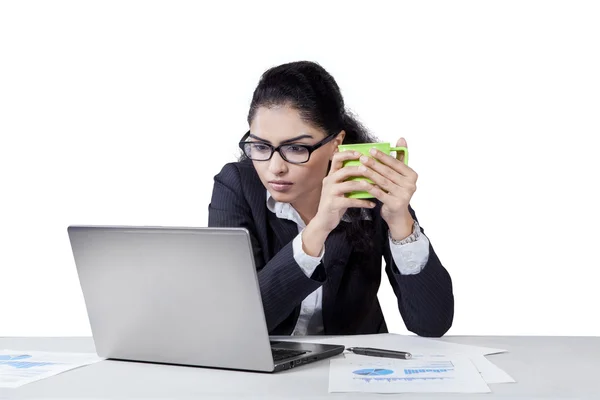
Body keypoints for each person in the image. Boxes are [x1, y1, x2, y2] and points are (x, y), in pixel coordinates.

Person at [208, 61, 453, 337]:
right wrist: (318, 229)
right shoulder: (237, 186)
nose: (275, 167)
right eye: (261, 146)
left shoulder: (371, 185)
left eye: (296, 147)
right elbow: (235, 322)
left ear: (336, 144)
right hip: (271, 370)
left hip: (358, 368)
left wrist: (401, 223)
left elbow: (432, 324)